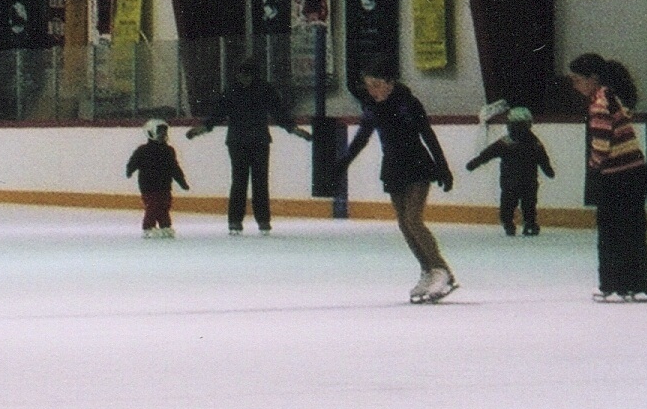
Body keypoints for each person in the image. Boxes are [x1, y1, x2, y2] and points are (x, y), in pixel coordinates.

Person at [340, 62, 458, 302]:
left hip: (417, 164)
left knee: (414, 219)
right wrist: (341, 165)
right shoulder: (371, 107)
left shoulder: (408, 103)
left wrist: (443, 167)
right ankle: (427, 270)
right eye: (369, 86)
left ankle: (442, 270)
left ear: (390, 83)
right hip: (393, 167)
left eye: (377, 84)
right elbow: (361, 139)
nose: (373, 90)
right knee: (404, 223)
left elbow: (428, 134)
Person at [569, 53, 647, 301]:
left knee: (610, 233)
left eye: (578, 80)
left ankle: (611, 283)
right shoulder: (613, 96)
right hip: (636, 172)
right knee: (633, 230)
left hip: (616, 176)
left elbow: (601, 143)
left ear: (592, 78)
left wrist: (593, 166)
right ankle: (641, 284)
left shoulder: (599, 102)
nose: (576, 86)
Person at [184, 61, 309, 233]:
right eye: (241, 75)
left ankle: (263, 220)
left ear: (253, 75)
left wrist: (293, 129)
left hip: (258, 141)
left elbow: (278, 112)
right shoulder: (232, 90)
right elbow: (218, 113)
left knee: (260, 182)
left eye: (247, 75)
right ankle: (235, 221)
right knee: (239, 181)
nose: (243, 78)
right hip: (238, 142)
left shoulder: (264, 89)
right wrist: (202, 129)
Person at [464, 107, 555, 236]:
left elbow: (488, 154)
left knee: (508, 203)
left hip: (509, 181)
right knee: (529, 203)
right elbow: (543, 159)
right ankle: (529, 223)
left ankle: (508, 224)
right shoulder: (534, 142)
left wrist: (474, 163)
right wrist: (548, 171)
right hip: (529, 181)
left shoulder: (506, 142)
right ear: (529, 124)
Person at [125, 118, 188, 237]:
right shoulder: (143, 150)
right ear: (150, 132)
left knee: (164, 205)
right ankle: (148, 227)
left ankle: (165, 225)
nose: (163, 135)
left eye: (164, 132)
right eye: (160, 132)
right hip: (148, 186)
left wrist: (182, 181)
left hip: (164, 185)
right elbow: (133, 162)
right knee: (153, 205)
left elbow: (174, 167)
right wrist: (130, 170)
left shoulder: (168, 150)